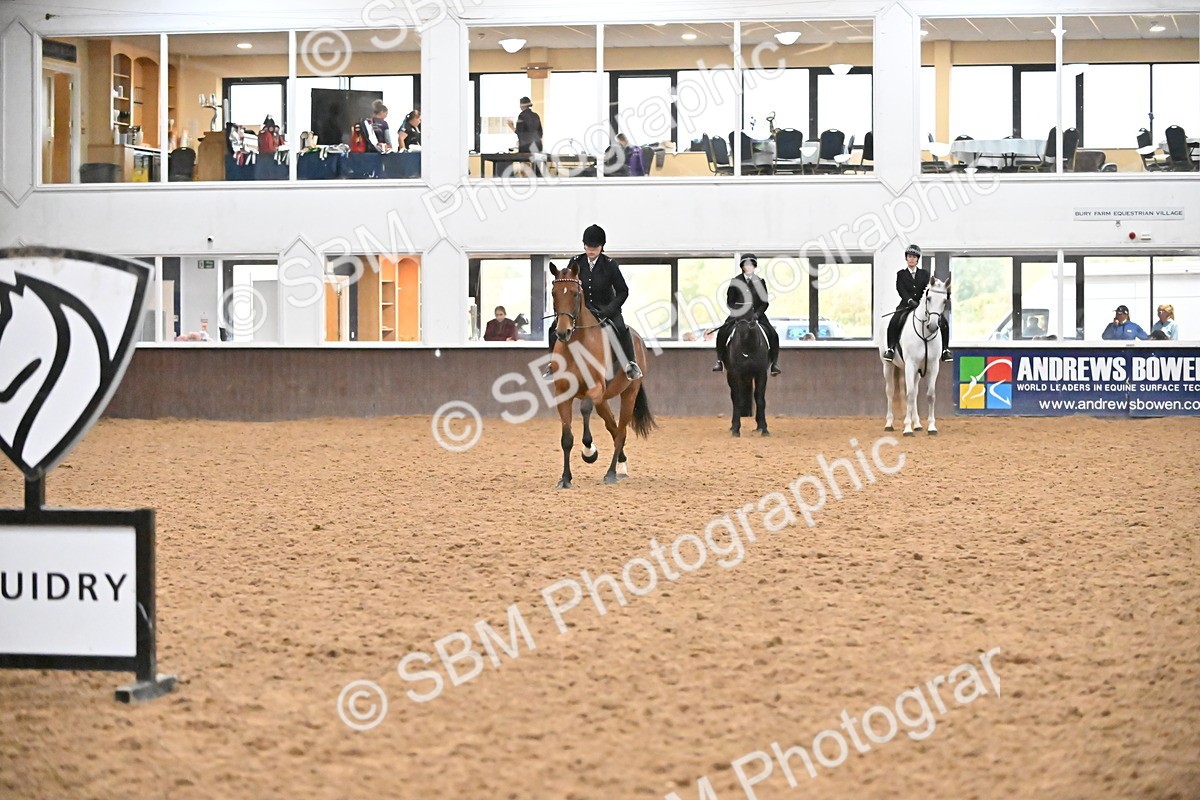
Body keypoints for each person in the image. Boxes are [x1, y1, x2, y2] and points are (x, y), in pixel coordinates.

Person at [543, 224, 642, 380]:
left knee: (621, 328)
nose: (591, 250)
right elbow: (568, 287)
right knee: (554, 328)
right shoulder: (575, 261)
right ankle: (553, 365)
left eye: (595, 247)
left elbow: (623, 291)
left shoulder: (610, 265)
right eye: (588, 246)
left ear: (601, 247)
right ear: (584, 245)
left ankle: (630, 363)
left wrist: (609, 309)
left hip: (606, 309)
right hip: (581, 310)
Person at [712, 253, 781, 376]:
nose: (748, 267)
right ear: (742, 267)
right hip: (738, 314)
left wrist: (756, 314)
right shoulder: (735, 281)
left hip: (756, 315)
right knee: (722, 332)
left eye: (751, 265)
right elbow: (730, 301)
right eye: (746, 265)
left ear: (754, 267)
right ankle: (719, 361)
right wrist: (738, 312)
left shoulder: (760, 282)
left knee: (773, 334)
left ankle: (774, 364)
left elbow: (764, 303)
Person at [882, 244, 951, 362]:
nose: (912, 259)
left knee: (943, 321)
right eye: (909, 256)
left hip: (922, 305)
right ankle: (891, 348)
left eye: (914, 257)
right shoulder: (901, 274)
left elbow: (929, 289)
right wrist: (909, 300)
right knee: (894, 320)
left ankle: (945, 349)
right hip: (906, 304)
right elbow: (900, 289)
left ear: (917, 259)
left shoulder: (924, 274)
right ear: (906, 258)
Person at [505, 96, 543, 175]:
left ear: (522, 105)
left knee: (524, 166)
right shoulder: (536, 115)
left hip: (526, 147)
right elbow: (540, 133)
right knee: (536, 167)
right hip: (537, 146)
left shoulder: (522, 116)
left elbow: (519, 132)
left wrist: (511, 126)